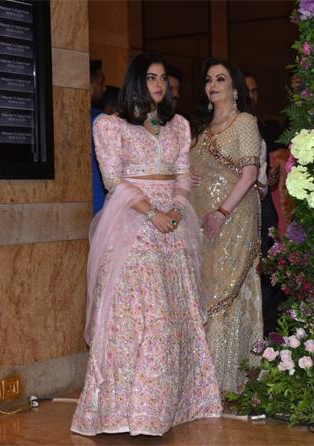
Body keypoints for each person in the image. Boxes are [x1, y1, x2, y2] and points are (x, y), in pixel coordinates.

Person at [72, 52, 222, 437]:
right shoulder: (111, 127)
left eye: (163, 78)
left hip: (172, 224)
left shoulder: (178, 126)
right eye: (151, 78)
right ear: (137, 82)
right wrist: (150, 212)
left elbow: (183, 175)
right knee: (142, 319)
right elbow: (113, 179)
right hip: (131, 226)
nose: (158, 84)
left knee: (176, 316)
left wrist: (174, 209)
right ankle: (129, 411)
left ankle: (170, 406)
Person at [189, 59, 263, 393]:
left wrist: (222, 211)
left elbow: (249, 175)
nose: (213, 84)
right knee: (205, 292)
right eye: (208, 79)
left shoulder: (244, 121)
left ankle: (228, 379)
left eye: (221, 79)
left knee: (227, 291)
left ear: (234, 88)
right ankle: (205, 380)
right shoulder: (202, 131)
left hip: (233, 217)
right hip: (204, 222)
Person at [243, 71, 284, 337]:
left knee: (267, 279)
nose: (251, 96)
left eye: (255, 90)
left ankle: (269, 340)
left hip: (263, 210)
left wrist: (267, 180)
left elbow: (261, 176)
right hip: (238, 214)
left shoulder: (262, 126)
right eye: (247, 90)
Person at [90, 60, 107, 215]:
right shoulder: (99, 120)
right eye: (100, 82)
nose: (104, 87)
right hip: (97, 201)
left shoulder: (98, 117)